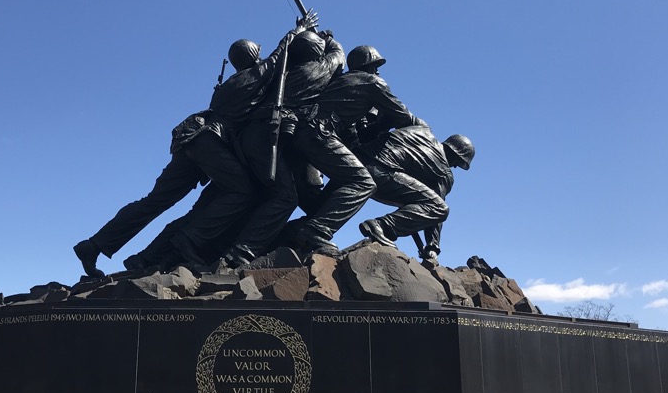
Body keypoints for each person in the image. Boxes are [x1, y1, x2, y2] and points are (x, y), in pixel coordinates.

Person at [73, 16, 311, 277]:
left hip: (191, 137)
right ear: (254, 56)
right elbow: (280, 55)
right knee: (242, 191)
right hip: (210, 140)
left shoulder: (230, 83)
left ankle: (95, 245)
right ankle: (188, 241)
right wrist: (298, 30)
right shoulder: (253, 75)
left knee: (155, 201)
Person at [217, 27, 345, 267]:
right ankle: (239, 254)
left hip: (253, 137)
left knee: (300, 195)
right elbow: (338, 55)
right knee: (286, 197)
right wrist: (330, 39)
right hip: (268, 135)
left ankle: (299, 238)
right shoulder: (318, 69)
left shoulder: (277, 75)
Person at [286, 44, 425, 254]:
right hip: (319, 134)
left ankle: (295, 232)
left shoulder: (341, 81)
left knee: (324, 196)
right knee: (363, 182)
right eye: (375, 65)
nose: (377, 71)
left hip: (303, 133)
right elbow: (403, 117)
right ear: (366, 65)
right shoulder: (372, 82)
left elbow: (350, 129)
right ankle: (317, 231)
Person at [355, 127, 474, 265]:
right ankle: (381, 226)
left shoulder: (423, 134)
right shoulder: (444, 171)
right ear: (455, 155)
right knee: (440, 208)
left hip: (358, 160)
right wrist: (432, 246)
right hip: (381, 172)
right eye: (458, 163)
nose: (454, 167)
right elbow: (436, 207)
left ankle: (383, 230)